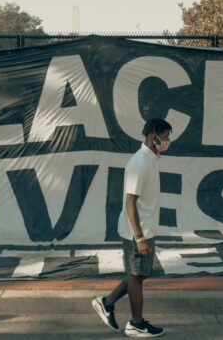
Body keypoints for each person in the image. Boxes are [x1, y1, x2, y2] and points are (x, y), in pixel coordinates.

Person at [92, 118, 171, 338]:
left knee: (139, 274)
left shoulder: (151, 159)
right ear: (152, 134)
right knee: (136, 276)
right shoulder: (139, 163)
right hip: (137, 231)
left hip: (145, 229)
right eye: (165, 136)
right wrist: (139, 237)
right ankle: (136, 324)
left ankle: (106, 303)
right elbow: (130, 202)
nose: (167, 141)